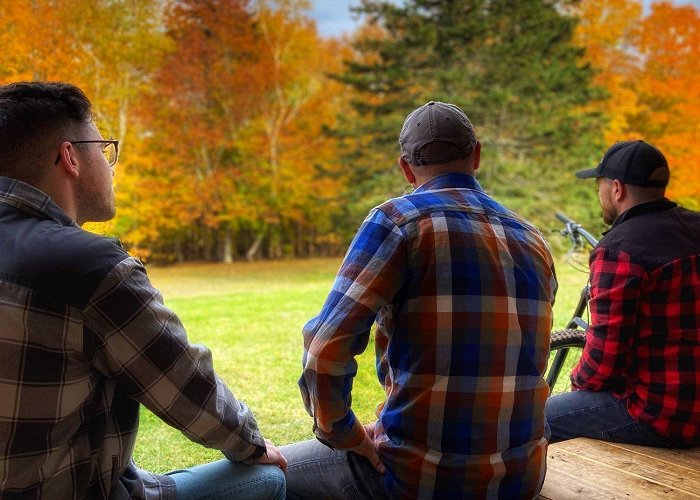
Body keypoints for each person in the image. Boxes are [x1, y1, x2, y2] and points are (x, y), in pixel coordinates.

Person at [0, 81, 286, 499]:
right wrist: (252, 444)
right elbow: (186, 388)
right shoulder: (87, 267)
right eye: (103, 148)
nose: (110, 164)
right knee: (267, 480)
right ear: (70, 157)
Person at [283, 101, 557, 499]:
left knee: (260, 480)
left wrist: (346, 434)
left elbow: (325, 351)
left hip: (420, 480)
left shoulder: (398, 222)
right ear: (476, 155)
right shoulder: (533, 240)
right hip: (522, 479)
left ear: (406, 169)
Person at [545, 140, 700, 447]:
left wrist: (579, 384)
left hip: (661, 414)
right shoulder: (694, 225)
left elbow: (605, 358)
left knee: (528, 419)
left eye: (599, 186)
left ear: (616, 189)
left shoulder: (619, 249)